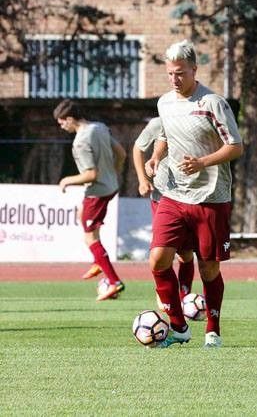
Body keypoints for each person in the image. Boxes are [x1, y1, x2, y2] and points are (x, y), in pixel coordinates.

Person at [145, 40, 243, 349]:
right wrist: (156, 157)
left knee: (208, 268)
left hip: (211, 197)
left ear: (194, 70)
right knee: (158, 260)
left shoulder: (213, 103)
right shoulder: (164, 103)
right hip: (174, 194)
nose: (174, 79)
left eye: (180, 73)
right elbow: (164, 137)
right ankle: (178, 326)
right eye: (170, 73)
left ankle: (212, 329)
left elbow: (236, 146)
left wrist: (202, 162)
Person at [53, 99, 127, 301]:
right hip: (110, 187)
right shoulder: (99, 127)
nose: (61, 126)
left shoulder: (80, 142)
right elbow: (121, 153)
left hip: (97, 192)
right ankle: (98, 261)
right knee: (82, 215)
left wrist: (66, 180)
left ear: (70, 119)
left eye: (62, 122)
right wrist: (114, 173)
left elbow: (91, 174)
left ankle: (114, 282)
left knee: (90, 238)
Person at [132, 117, 196, 303]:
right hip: (161, 197)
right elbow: (138, 148)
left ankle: (184, 298)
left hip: (188, 197)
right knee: (161, 252)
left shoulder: (195, 121)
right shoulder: (158, 123)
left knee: (185, 253)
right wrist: (142, 180)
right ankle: (165, 295)